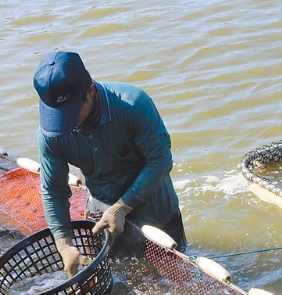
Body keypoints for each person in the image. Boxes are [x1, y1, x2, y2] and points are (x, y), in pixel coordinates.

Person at [33, 51, 186, 278]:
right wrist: (64, 244)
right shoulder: (51, 134)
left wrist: (121, 208)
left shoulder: (133, 105)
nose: (65, 125)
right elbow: (53, 189)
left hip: (156, 212)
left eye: (71, 114)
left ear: (90, 91)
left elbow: (160, 161)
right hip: (102, 214)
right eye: (58, 116)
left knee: (172, 279)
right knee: (117, 279)